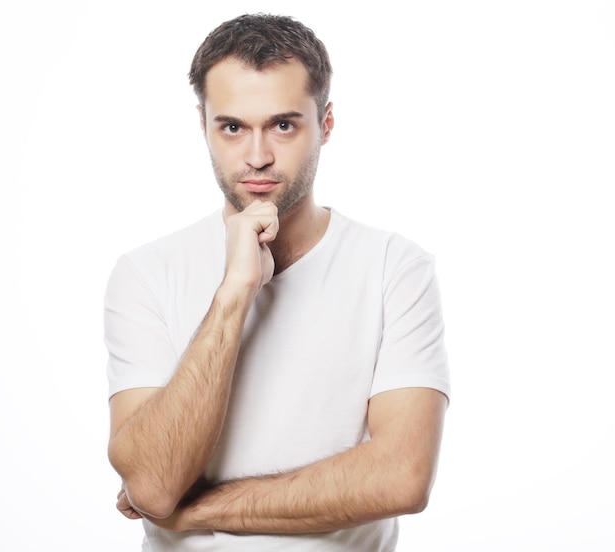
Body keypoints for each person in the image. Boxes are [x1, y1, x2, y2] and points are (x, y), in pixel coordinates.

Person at [104, 13, 450, 552]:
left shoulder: (394, 267)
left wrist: (196, 509)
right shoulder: (146, 274)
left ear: (326, 124)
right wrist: (235, 292)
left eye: (283, 125)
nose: (258, 155)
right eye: (233, 127)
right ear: (203, 125)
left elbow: (401, 476)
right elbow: (151, 483)